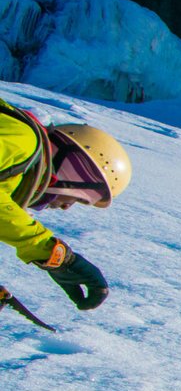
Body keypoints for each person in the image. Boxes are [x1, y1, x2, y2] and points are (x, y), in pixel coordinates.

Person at [2, 97, 131, 312]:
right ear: (75, 171)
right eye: (79, 198)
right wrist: (51, 252)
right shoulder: (22, 140)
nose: (66, 207)